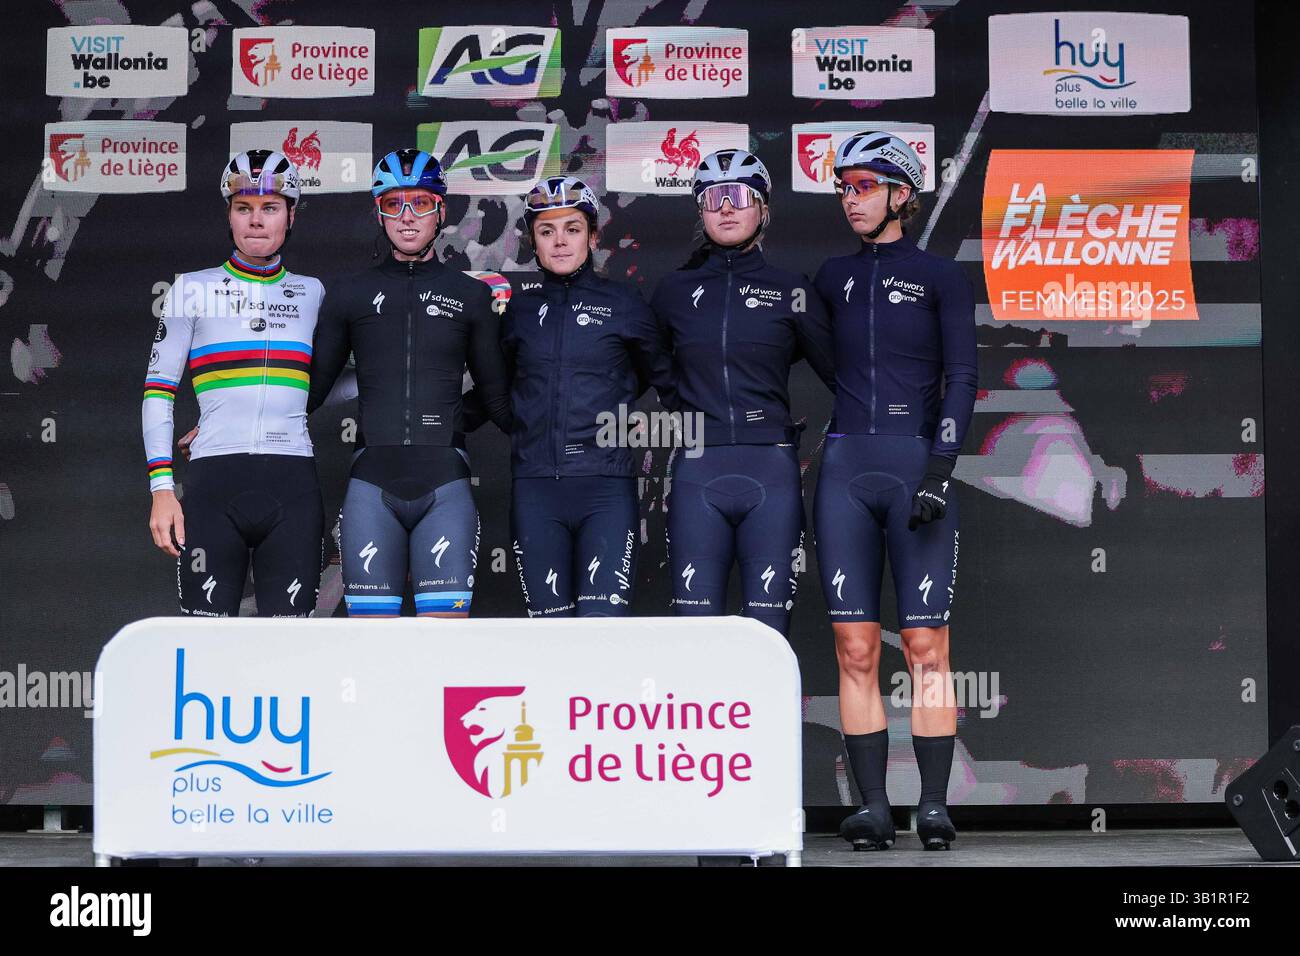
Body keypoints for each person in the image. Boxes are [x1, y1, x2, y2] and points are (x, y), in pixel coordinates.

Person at [812, 132, 977, 850]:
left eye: (863, 186)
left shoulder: (941, 276)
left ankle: (934, 807)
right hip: (846, 467)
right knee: (853, 648)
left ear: (901, 193)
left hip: (917, 467)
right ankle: (874, 808)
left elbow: (963, 378)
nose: (851, 199)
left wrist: (939, 469)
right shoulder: (828, 276)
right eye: (843, 188)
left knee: (925, 645)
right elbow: (824, 363)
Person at [306, 148, 512, 618]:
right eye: (394, 204)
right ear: (378, 212)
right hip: (370, 481)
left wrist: (568, 435)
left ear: (441, 210)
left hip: (445, 481)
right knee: (372, 644)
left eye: (420, 203)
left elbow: (499, 402)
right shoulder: (349, 293)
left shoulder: (472, 295)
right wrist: (228, 424)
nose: (406, 216)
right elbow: (312, 392)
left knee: (443, 641)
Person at [651, 149, 836, 638]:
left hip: (770, 472)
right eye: (714, 197)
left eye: (738, 197)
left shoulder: (791, 289)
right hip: (698, 469)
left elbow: (844, 374)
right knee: (695, 634)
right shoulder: (672, 291)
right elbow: (646, 369)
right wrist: (688, 411)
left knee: (769, 633)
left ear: (763, 210)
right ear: (700, 210)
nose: (726, 208)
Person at [482, 176, 676, 616]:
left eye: (572, 229)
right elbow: (498, 392)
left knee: (601, 631)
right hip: (536, 491)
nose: (560, 242)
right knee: (549, 635)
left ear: (592, 235)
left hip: (605, 490)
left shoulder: (625, 303)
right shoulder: (519, 313)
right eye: (546, 231)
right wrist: (527, 424)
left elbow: (665, 380)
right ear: (533, 240)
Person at [143, 149, 325, 617]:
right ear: (229, 215)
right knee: (205, 645)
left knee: (292, 647)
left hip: (292, 483)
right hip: (212, 485)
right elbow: (159, 392)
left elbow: (342, 380)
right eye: (244, 208)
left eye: (270, 207)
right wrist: (162, 489)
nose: (256, 220)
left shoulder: (313, 293)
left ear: (291, 215)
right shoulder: (191, 288)